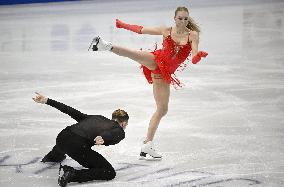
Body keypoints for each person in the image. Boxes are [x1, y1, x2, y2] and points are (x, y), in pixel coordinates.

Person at [89, 7, 207, 159]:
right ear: (174, 18)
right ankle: (105, 45)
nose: (183, 21)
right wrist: (123, 25)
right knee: (134, 54)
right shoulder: (166, 31)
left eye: (185, 19)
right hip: (156, 60)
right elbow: (142, 30)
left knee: (162, 109)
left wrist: (198, 57)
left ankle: (147, 144)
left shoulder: (192, 35)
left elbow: (195, 53)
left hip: (163, 73)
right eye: (180, 18)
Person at [32, 92, 129, 187]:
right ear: (123, 123)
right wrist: (103, 137)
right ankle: (73, 174)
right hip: (76, 145)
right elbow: (114, 134)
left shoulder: (97, 118)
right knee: (109, 172)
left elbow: (71, 111)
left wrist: (48, 101)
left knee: (66, 141)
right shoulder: (119, 130)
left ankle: (51, 157)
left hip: (62, 136)